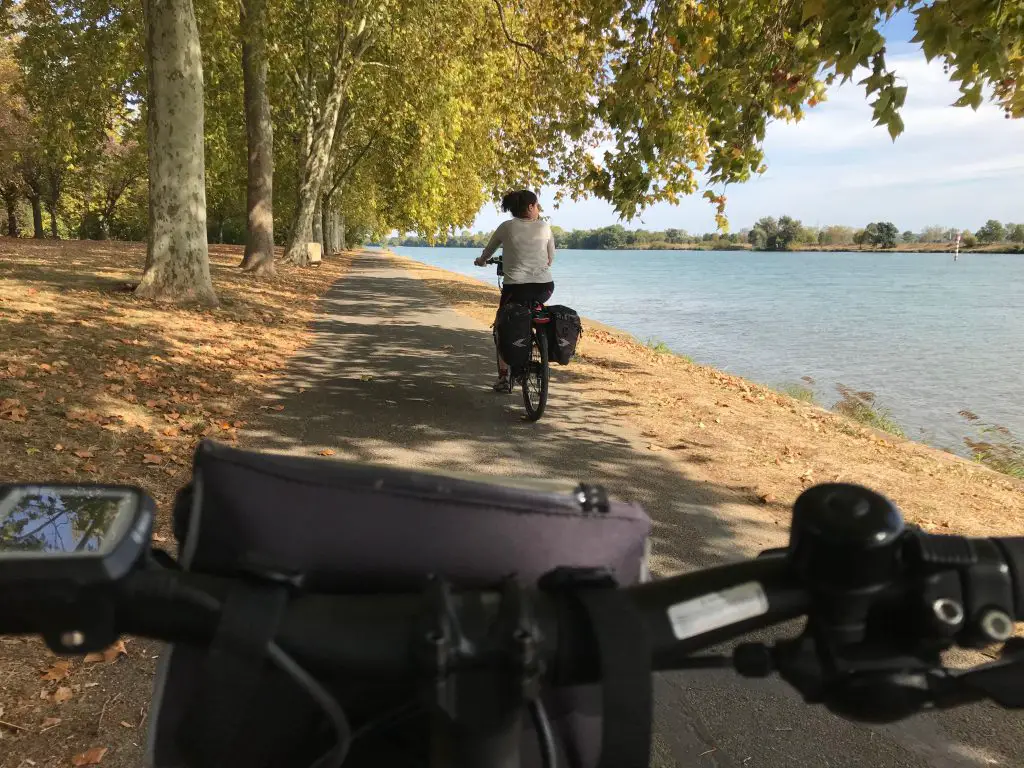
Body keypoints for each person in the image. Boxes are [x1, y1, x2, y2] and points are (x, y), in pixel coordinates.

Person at [474, 190, 555, 392]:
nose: (538, 209)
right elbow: (550, 258)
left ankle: (503, 377)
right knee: (535, 308)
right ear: (530, 207)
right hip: (544, 287)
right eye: (537, 205)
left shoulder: (506, 227)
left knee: (502, 324)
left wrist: (481, 261)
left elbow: (489, 251)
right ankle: (539, 341)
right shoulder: (545, 227)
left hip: (516, 288)